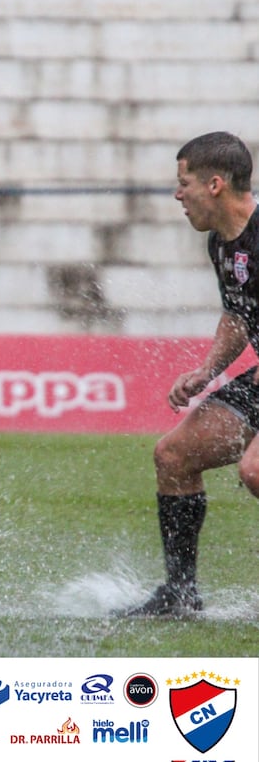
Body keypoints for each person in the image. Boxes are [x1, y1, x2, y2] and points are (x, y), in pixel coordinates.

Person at [119, 131, 259, 617]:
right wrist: (208, 370)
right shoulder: (223, 244)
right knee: (174, 455)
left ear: (215, 184)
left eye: (184, 183)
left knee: (255, 470)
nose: (178, 194)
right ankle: (181, 595)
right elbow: (240, 316)